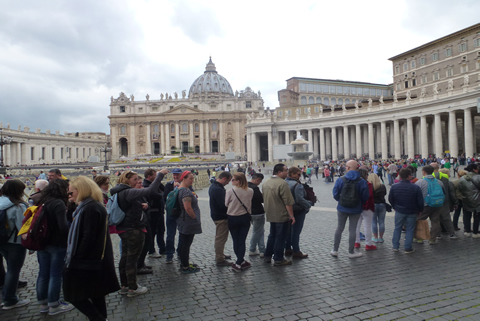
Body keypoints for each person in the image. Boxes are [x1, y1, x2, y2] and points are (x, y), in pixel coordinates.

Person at [64, 176, 120, 321]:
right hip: (95, 261)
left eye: (71, 192)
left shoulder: (89, 208)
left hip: (88, 261)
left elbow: (88, 237)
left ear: (81, 190)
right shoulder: (90, 206)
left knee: (73, 294)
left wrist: (77, 257)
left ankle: (98, 318)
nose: (70, 195)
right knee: (96, 294)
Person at [110, 168, 168, 297]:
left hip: (124, 227)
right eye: (135, 179)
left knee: (125, 257)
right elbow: (150, 190)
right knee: (132, 259)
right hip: (133, 228)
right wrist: (160, 175)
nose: (138, 181)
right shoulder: (128, 192)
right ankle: (133, 288)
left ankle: (124, 286)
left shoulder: (119, 191)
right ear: (127, 179)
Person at [34, 179, 75, 315]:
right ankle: (54, 304)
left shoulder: (43, 201)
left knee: (43, 274)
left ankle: (43, 304)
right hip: (57, 243)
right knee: (55, 274)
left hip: (42, 241)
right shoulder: (58, 203)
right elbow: (62, 226)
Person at [0, 180, 29, 310]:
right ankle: (10, 299)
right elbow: (22, 228)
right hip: (15, 243)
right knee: (13, 270)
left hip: (2, 241)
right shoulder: (18, 206)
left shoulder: (1, 202)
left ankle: (6, 295)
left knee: (9, 269)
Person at [331, 160, 370, 259]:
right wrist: (360, 202)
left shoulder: (340, 179)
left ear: (347, 168)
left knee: (339, 228)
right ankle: (351, 252)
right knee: (353, 229)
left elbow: (335, 194)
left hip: (342, 208)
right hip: (356, 208)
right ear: (356, 168)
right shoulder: (362, 181)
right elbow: (366, 196)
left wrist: (340, 200)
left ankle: (335, 250)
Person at [262, 163, 295, 266]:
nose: (287, 172)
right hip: (281, 214)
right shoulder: (282, 183)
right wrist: (292, 216)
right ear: (279, 172)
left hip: (270, 213)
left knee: (272, 235)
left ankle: (267, 256)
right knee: (280, 237)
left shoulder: (266, 182)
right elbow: (288, 202)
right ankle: (278, 259)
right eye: (286, 170)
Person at [389, 168, 424, 253]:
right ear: (409, 176)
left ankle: (395, 246)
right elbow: (420, 201)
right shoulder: (415, 187)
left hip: (399, 210)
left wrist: (395, 206)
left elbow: (391, 199)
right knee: (410, 229)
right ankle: (408, 247)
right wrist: (420, 210)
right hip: (412, 211)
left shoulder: (394, 186)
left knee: (397, 228)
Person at [225, 173, 254, 272]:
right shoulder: (250, 191)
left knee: (235, 240)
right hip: (245, 217)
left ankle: (238, 262)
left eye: (233, 180)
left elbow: (226, 203)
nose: (231, 181)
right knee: (242, 240)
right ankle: (241, 261)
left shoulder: (230, 191)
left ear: (239, 181)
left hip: (232, 217)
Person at [177, 171, 202, 273]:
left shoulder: (179, 189)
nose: (192, 180)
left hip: (182, 220)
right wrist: (195, 218)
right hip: (188, 221)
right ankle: (185, 266)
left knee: (183, 243)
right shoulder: (186, 192)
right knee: (186, 244)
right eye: (190, 178)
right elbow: (188, 208)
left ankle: (184, 263)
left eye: (193, 178)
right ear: (184, 178)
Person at [285, 167, 312, 258]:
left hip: (288, 210)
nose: (300, 176)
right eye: (298, 174)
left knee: (288, 231)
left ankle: (287, 249)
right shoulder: (297, 185)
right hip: (298, 210)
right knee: (296, 231)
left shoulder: (284, 182)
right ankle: (296, 251)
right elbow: (300, 199)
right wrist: (309, 204)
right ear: (292, 174)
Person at [415, 165, 445, 244]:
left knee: (419, 220)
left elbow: (416, 194)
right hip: (437, 204)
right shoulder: (439, 182)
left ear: (424, 172)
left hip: (425, 205)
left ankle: (419, 238)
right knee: (435, 222)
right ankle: (432, 239)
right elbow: (444, 192)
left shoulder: (420, 182)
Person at [209, 171, 233, 266]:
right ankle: (220, 258)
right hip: (221, 216)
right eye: (228, 181)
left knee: (221, 237)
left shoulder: (213, 186)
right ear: (224, 179)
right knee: (220, 238)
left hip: (216, 215)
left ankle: (220, 254)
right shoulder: (218, 189)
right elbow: (223, 205)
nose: (228, 183)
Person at [143, 168, 166, 259]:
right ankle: (151, 250)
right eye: (155, 175)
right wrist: (162, 195)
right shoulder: (145, 185)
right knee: (152, 232)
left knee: (161, 230)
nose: (156, 177)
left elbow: (164, 190)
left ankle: (162, 248)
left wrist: (158, 181)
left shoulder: (155, 184)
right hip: (152, 211)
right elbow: (154, 194)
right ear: (149, 176)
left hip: (159, 210)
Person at [163, 168, 183, 263]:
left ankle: (180, 251)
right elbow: (165, 198)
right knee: (170, 234)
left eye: (177, 175)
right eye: (174, 175)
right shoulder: (168, 185)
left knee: (183, 233)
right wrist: (172, 190)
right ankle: (169, 254)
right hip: (171, 213)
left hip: (181, 213)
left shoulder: (184, 184)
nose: (175, 177)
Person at [355, 169, 376, 251]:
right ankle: (368, 244)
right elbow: (369, 196)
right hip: (367, 207)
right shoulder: (368, 184)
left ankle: (356, 242)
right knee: (367, 226)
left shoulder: (355, 184)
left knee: (356, 225)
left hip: (356, 207)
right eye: (367, 174)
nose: (368, 175)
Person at [457, 164, 480, 238]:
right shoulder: (478, 177)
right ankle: (475, 232)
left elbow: (460, 189)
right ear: (474, 169)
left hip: (466, 199)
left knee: (467, 215)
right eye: (477, 169)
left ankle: (467, 231)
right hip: (478, 199)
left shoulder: (462, 178)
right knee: (477, 216)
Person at [248, 173, 265, 257]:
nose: (260, 183)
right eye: (260, 181)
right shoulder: (255, 188)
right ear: (257, 179)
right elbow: (261, 199)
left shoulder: (245, 186)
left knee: (260, 231)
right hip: (258, 212)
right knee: (257, 231)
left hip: (249, 212)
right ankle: (252, 249)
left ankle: (262, 250)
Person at [369, 173, 387, 243]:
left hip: (373, 204)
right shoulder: (382, 186)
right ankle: (381, 237)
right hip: (382, 204)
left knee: (374, 222)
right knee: (381, 221)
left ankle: (375, 237)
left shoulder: (370, 186)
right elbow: (385, 193)